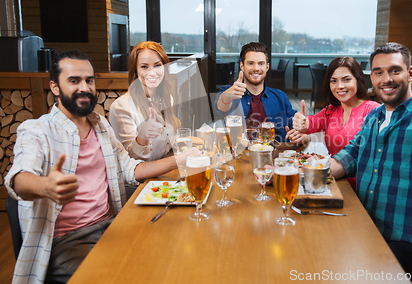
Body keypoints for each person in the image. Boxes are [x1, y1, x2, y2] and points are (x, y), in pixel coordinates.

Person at [4, 51, 199, 284]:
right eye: (74, 81)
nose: (84, 87)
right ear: (55, 88)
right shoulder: (36, 130)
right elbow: (19, 179)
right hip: (67, 241)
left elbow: (130, 169)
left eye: (89, 80)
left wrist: (181, 160)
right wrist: (46, 185)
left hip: (111, 224)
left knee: (170, 255)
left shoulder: (100, 125)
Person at [301, 43, 412, 282]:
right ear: (372, 77)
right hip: (364, 227)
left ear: (410, 73)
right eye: (379, 72)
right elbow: (347, 158)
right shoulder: (374, 117)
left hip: (406, 243)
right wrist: (295, 173)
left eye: (394, 70)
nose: (386, 79)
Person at [288, 56, 380, 189]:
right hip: (334, 183)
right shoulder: (332, 110)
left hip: (362, 189)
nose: (340, 86)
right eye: (334, 81)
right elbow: (311, 123)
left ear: (358, 80)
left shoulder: (372, 110)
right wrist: (302, 123)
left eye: (346, 80)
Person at [109, 41, 180, 161]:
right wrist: (142, 137)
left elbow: (169, 142)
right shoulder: (121, 107)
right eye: (144, 67)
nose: (152, 72)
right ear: (135, 70)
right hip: (142, 179)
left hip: (164, 173)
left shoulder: (168, 99)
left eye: (157, 65)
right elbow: (128, 160)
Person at [215, 42, 297, 143]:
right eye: (250, 63)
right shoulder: (229, 92)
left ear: (267, 67)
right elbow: (220, 108)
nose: (256, 68)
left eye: (260, 63)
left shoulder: (280, 97)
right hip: (240, 155)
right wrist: (227, 96)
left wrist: (302, 127)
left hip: (275, 156)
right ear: (242, 66)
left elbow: (296, 124)